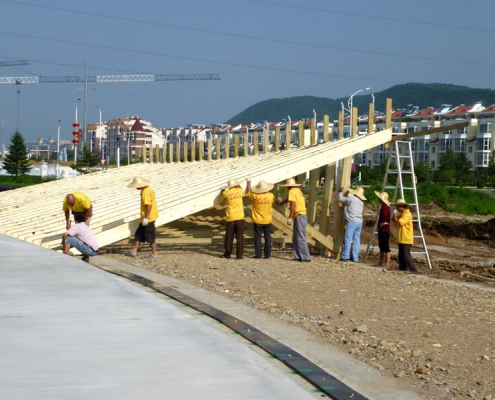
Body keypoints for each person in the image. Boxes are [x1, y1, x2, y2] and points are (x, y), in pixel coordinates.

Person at [125, 177, 159, 259]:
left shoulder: (145, 192)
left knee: (150, 235)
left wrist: (146, 218)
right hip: (148, 216)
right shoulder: (148, 189)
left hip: (148, 218)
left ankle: (154, 253)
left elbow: (148, 205)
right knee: (139, 233)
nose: (136, 187)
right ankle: (134, 250)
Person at [279, 178, 311, 262]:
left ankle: (305, 257)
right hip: (301, 215)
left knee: (300, 237)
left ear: (288, 186)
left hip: (299, 215)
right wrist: (282, 202)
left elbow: (293, 205)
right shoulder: (297, 190)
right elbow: (290, 199)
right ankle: (299, 256)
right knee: (295, 237)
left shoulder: (291, 191)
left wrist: (290, 217)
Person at [246, 179, 275, 259]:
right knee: (268, 238)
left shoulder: (255, 196)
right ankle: (267, 255)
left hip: (257, 220)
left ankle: (258, 255)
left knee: (258, 238)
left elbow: (248, 191)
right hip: (267, 220)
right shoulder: (270, 195)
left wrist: (249, 182)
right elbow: (273, 201)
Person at [338, 186, 366, 262]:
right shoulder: (361, 202)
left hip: (351, 221)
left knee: (348, 239)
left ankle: (345, 257)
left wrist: (340, 192)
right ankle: (355, 258)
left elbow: (341, 199)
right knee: (356, 240)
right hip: (359, 222)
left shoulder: (351, 199)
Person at [391, 199, 419, 274]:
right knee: (401, 254)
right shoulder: (403, 214)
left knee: (406, 254)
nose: (397, 208)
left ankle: (413, 270)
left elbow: (398, 223)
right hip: (402, 237)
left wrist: (394, 214)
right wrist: (394, 215)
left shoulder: (407, 214)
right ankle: (402, 268)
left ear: (402, 206)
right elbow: (395, 220)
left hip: (406, 238)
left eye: (398, 207)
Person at [220, 179, 245, 259]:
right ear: (236, 185)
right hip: (240, 217)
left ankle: (227, 254)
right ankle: (239, 255)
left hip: (230, 217)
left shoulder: (226, 193)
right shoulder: (240, 190)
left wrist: (222, 190)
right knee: (239, 237)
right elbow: (243, 192)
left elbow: (221, 199)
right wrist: (238, 185)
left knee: (229, 237)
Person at [375, 191, 391, 268]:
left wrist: (383, 222)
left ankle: (387, 263)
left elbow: (384, 215)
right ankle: (381, 262)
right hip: (382, 229)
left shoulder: (385, 207)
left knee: (385, 247)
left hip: (384, 229)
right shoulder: (384, 206)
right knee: (382, 247)